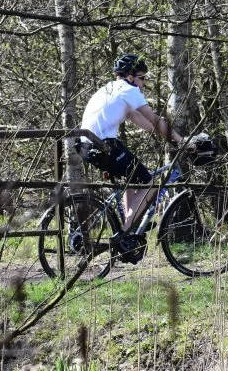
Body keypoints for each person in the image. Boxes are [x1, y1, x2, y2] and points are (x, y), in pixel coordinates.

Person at [79, 53, 187, 257]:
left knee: (133, 180)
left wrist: (168, 136)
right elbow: (153, 119)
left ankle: (128, 230)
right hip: (104, 146)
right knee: (151, 183)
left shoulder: (111, 89)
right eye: (142, 77)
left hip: (89, 145)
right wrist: (181, 141)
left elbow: (140, 120)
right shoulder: (129, 90)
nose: (144, 83)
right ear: (130, 77)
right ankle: (124, 234)